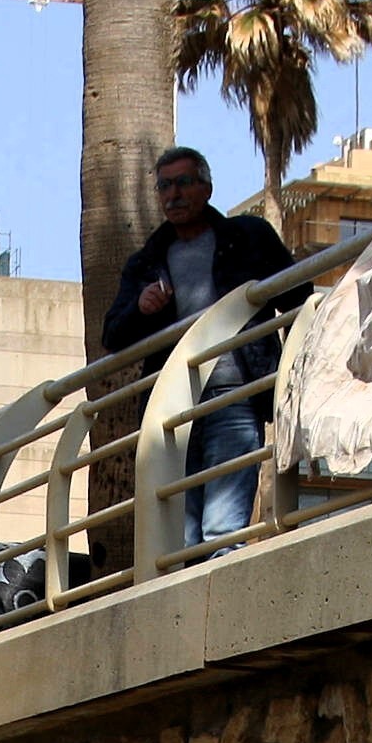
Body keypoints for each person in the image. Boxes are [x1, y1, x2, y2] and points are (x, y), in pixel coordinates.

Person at [100, 146, 295, 547]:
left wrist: (294, 371)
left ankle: (224, 605)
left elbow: (296, 292)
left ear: (206, 187)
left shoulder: (247, 237)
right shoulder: (146, 261)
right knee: (182, 538)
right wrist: (140, 308)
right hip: (175, 404)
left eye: (184, 182)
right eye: (164, 186)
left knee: (222, 530)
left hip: (235, 394)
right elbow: (114, 336)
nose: (174, 194)